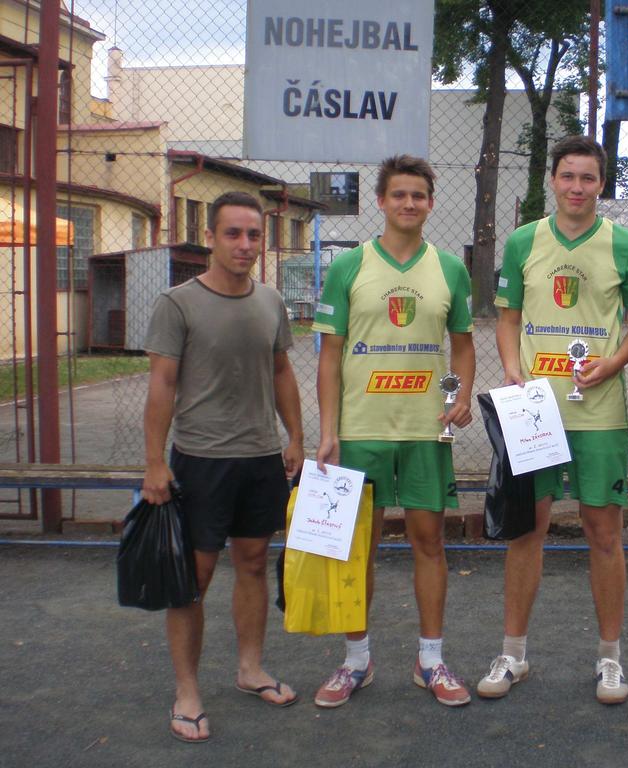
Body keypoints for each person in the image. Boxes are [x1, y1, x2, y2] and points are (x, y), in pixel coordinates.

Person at [479, 135, 628, 704]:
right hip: (535, 411)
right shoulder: (524, 241)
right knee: (526, 532)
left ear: (602, 185)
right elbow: (507, 318)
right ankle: (514, 654)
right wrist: (512, 370)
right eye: (568, 176)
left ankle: (610, 660)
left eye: (589, 178)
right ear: (552, 180)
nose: (577, 187)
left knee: (605, 533)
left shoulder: (626, 245)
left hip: (599, 414)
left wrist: (614, 365)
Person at [312, 155, 476, 708]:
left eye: (419, 195)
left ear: (431, 203)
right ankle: (355, 661)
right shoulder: (349, 267)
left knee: (429, 542)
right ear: (380, 202)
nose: (409, 203)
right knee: (357, 548)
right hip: (361, 431)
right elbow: (328, 357)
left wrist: (459, 399)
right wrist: (329, 430)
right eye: (399, 194)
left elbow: (463, 345)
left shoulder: (449, 268)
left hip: (425, 431)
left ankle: (431, 660)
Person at [142, 191, 304, 743]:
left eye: (254, 235)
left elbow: (282, 372)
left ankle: (250, 669)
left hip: (259, 457)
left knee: (254, 562)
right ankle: (187, 692)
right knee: (195, 577)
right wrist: (154, 464)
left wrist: (296, 437)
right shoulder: (178, 303)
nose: (244, 245)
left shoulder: (271, 302)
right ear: (210, 237)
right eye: (232, 233)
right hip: (201, 460)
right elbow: (161, 385)